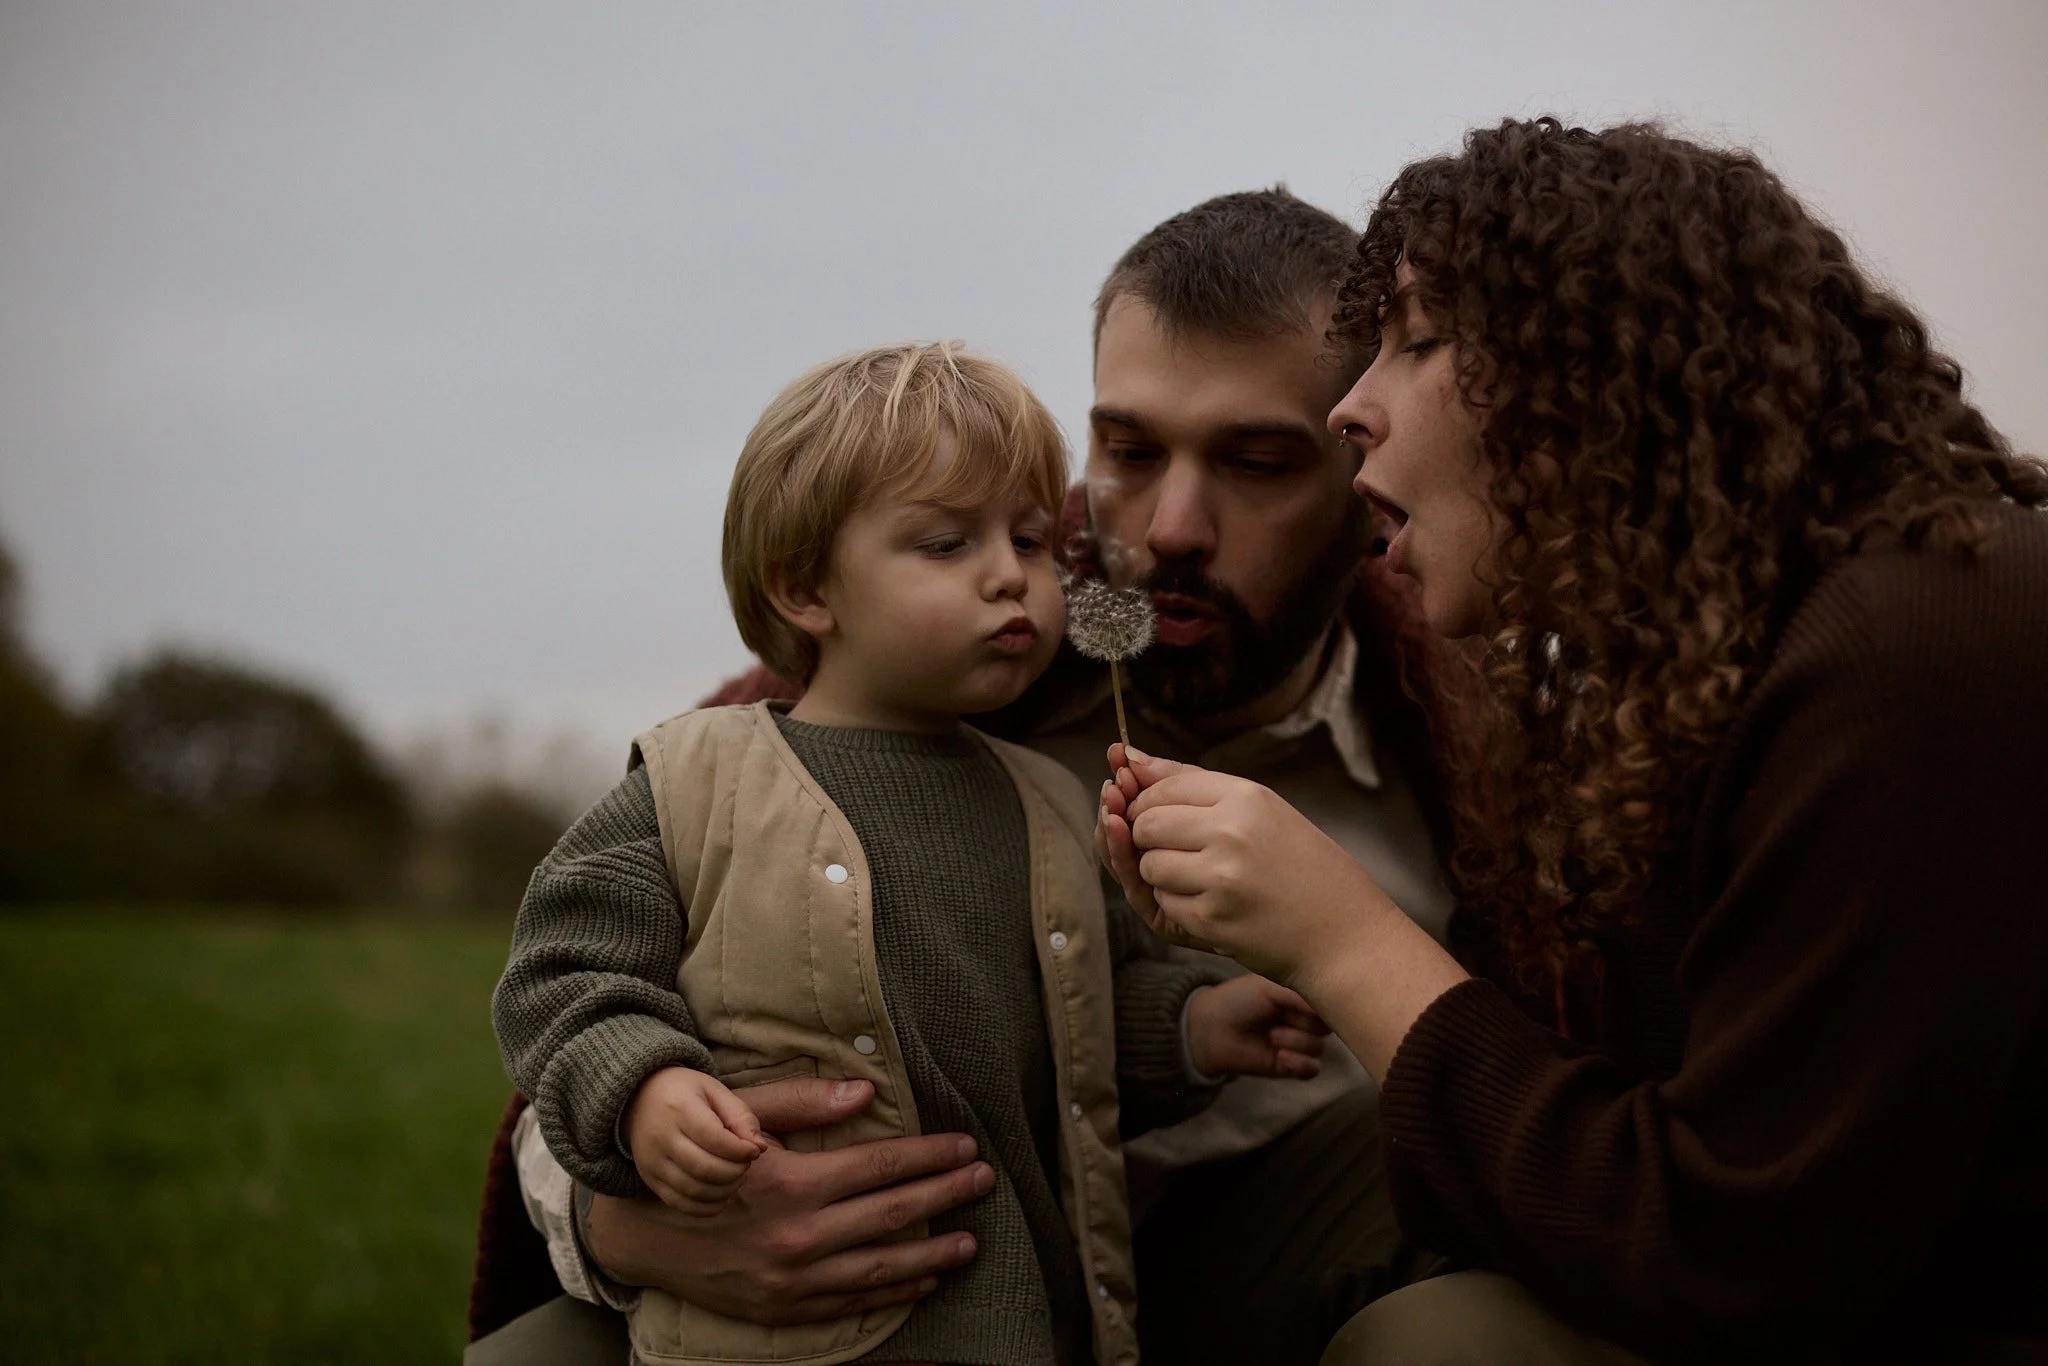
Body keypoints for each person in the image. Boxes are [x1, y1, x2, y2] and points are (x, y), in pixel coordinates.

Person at [1098, 118, 2048, 1364]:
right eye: (1122, 447)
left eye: (1417, 341)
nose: (1352, 409)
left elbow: (1727, 1255)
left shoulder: (1912, 636)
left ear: (1598, 372)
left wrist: (1335, 934)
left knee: (1436, 1349)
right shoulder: (1689, 665)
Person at [466, 190, 1455, 1366]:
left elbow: (1096, 1002)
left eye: (1254, 461)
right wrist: (623, 1221)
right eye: (1129, 452)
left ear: (1361, 465)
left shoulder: (1467, 730)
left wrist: (1195, 1019)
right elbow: (574, 996)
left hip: (1199, 1289)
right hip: (820, 1295)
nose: (1173, 525)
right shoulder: (754, 752)